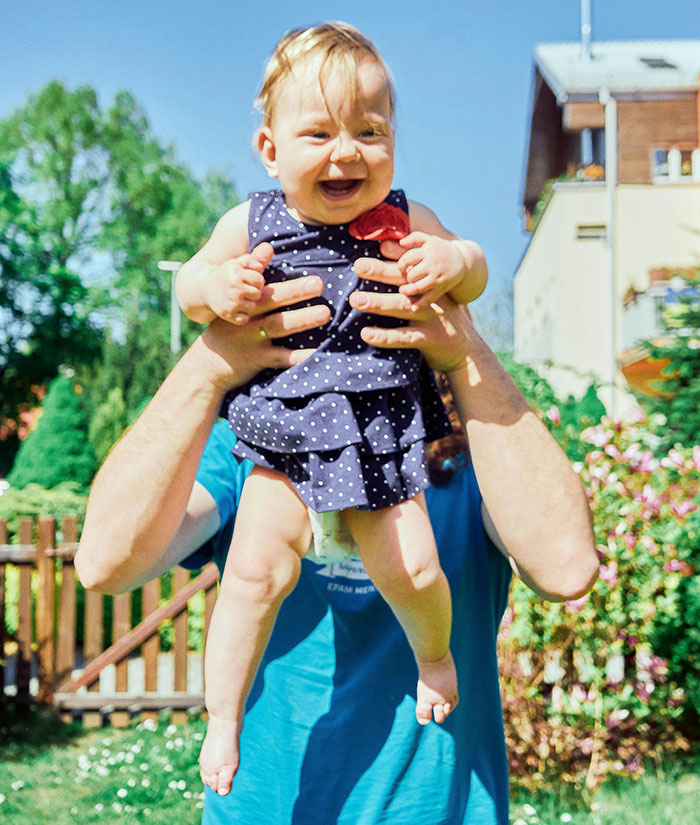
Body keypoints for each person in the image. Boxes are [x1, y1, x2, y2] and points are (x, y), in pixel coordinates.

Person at [75, 267, 599, 824]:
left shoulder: (475, 454)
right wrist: (208, 364)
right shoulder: (246, 448)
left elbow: (566, 570)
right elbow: (104, 564)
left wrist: (464, 347)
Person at [174, 23, 490, 792]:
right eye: (318, 132)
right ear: (270, 149)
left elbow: (474, 267)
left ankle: (434, 655)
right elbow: (190, 280)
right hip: (283, 444)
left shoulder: (406, 221)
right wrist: (215, 289)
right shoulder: (251, 222)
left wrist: (452, 262)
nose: (346, 150)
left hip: (378, 441)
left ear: (392, 143)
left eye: (370, 131)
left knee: (415, 566)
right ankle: (222, 715)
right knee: (251, 574)